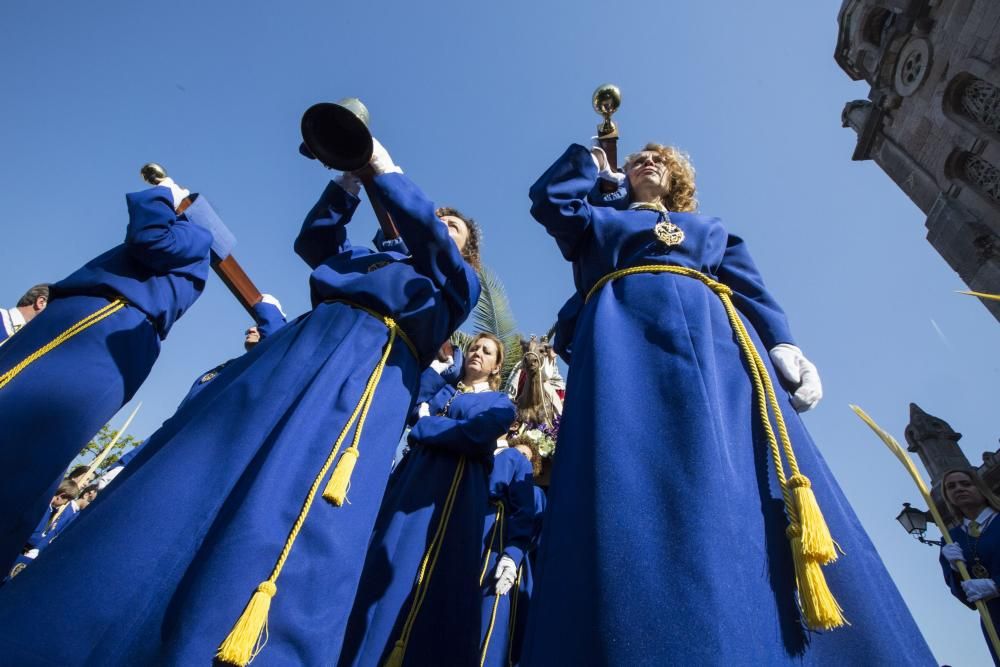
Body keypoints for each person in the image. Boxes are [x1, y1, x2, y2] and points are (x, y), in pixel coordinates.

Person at [0, 139, 481, 667]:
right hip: (293, 354)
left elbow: (429, 238)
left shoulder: (457, 280)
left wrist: (384, 172)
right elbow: (315, 240)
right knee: (193, 475)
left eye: (450, 225)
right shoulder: (364, 259)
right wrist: (348, 180)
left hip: (364, 373)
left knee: (284, 512)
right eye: (436, 216)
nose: (438, 222)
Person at [521, 141, 936, 664]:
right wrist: (595, 171)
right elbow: (549, 202)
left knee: (741, 475)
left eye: (660, 159)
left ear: (677, 179)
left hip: (721, 352)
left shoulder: (711, 229)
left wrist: (784, 342)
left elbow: (749, 287)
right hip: (624, 349)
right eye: (637, 159)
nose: (648, 161)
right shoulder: (595, 223)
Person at [0, 176, 214, 573]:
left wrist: (162, 195)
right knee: (35, 458)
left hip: (99, 321)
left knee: (14, 408)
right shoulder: (188, 266)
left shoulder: (194, 238)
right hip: (115, 336)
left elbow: (150, 236)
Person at [338, 333, 516, 667]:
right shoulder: (442, 390)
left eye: (487, 351)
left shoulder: (500, 403)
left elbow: (475, 436)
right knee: (383, 560)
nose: (477, 352)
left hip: (456, 497)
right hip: (410, 485)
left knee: (436, 579)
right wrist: (438, 375)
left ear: (495, 367)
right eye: (475, 347)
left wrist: (425, 425)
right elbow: (405, 407)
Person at [479, 443, 538, 667]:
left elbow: (529, 518)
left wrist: (512, 555)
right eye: (520, 451)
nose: (520, 456)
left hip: (501, 546)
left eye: (527, 456)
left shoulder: (532, 489)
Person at [939, 468, 1000, 664]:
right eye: (951, 487)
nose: (959, 489)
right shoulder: (951, 538)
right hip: (994, 619)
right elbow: (964, 596)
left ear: (980, 488)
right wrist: (956, 571)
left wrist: (996, 585)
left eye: (966, 484)